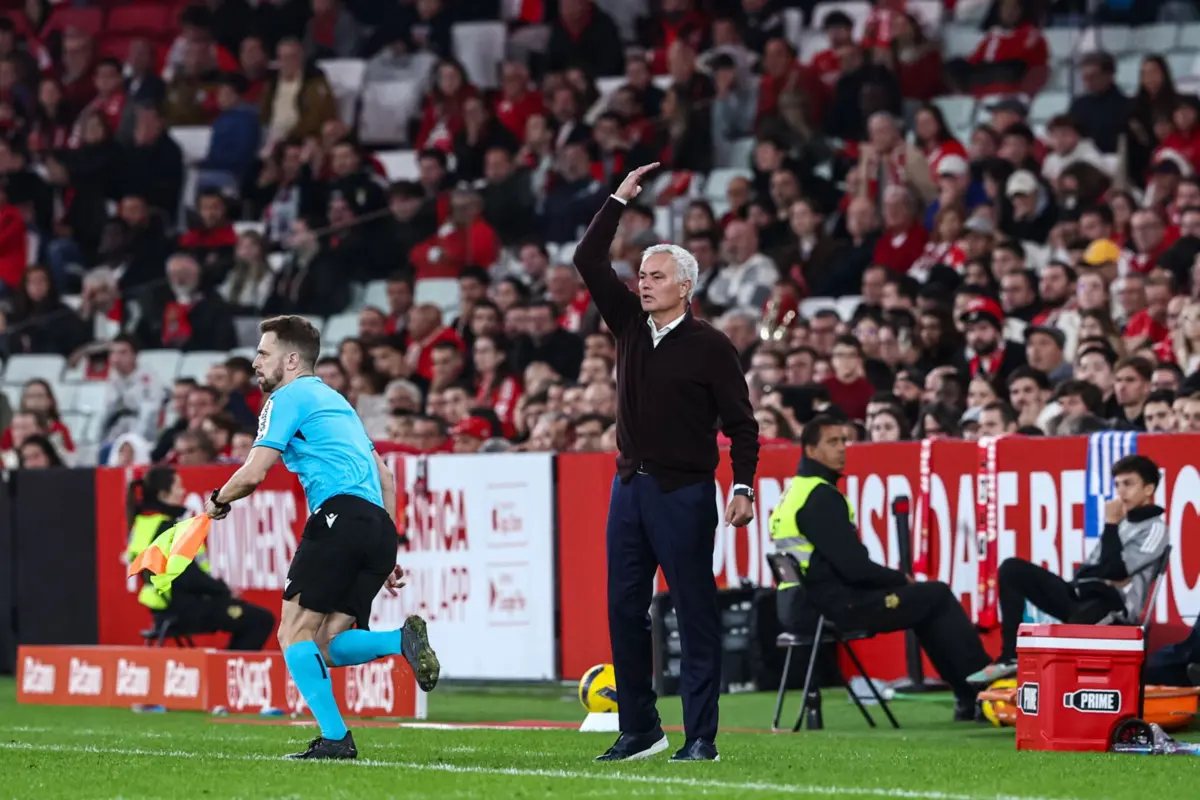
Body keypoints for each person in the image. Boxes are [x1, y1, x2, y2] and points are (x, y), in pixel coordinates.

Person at [572, 163, 759, 763]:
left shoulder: (712, 346)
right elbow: (587, 258)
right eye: (642, 274)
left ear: (686, 287)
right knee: (623, 611)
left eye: (656, 276)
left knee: (694, 611)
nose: (644, 283)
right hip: (629, 488)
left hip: (684, 493)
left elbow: (742, 425)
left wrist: (744, 486)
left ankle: (701, 737)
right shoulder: (628, 323)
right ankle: (640, 729)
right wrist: (617, 201)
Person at [203, 316, 440, 760]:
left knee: (293, 632)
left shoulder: (286, 397)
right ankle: (399, 641)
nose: (255, 363)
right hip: (377, 526)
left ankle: (336, 739)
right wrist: (387, 547)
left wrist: (217, 500)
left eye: (263, 353)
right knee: (326, 644)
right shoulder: (337, 402)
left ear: (291, 360)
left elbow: (254, 472)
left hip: (338, 516)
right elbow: (385, 477)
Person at [769, 415, 991, 721]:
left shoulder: (793, 493)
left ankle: (968, 697)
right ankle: (984, 693)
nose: (842, 448)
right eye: (832, 442)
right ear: (810, 450)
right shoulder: (821, 497)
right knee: (936, 596)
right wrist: (900, 579)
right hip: (833, 608)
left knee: (924, 601)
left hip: (796, 606)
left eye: (844, 441)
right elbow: (856, 569)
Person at [970, 454, 1167, 684]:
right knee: (1012, 569)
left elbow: (1114, 571)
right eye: (1117, 485)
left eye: (1128, 484)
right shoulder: (1120, 523)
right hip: (1084, 595)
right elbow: (1088, 570)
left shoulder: (1155, 529)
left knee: (1077, 623)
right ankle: (1010, 655)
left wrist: (1111, 529)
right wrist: (1106, 567)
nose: (1121, 492)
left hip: (1116, 610)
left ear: (1148, 489)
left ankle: (1054, 684)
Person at [125, 466, 273, 651]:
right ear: (163, 495)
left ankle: (225, 665)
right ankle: (225, 668)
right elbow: (188, 578)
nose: (183, 491)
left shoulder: (143, 525)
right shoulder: (168, 529)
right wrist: (224, 590)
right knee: (261, 620)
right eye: (178, 487)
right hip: (187, 610)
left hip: (164, 612)